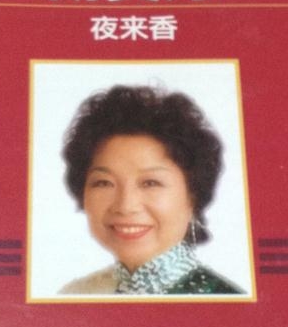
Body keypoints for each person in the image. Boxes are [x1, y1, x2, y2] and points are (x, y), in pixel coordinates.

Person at [58, 85, 245, 295]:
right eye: (104, 183)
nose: (125, 206)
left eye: (150, 183)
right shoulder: (75, 294)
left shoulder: (223, 300)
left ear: (193, 196)